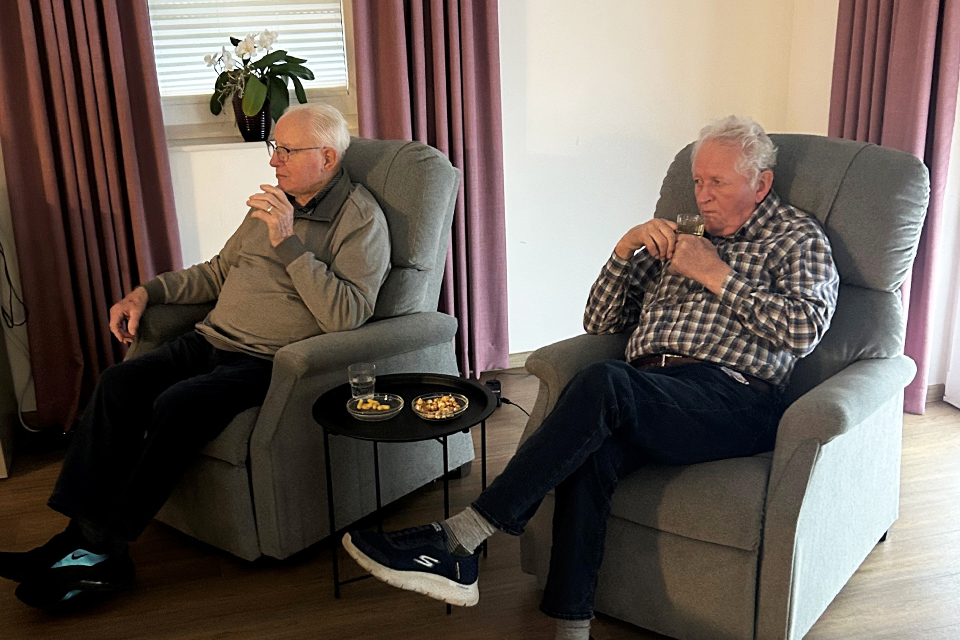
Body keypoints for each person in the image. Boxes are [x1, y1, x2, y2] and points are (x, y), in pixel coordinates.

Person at [341, 116, 839, 640]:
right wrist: (624, 250)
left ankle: (462, 537)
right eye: (697, 180)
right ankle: (572, 629)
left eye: (718, 181)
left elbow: (802, 331)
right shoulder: (681, 234)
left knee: (605, 383)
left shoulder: (797, 238)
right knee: (590, 452)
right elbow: (600, 323)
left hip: (734, 397)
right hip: (649, 389)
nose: (702, 195)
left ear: (760, 183)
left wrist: (715, 274)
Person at [0, 103, 391, 609]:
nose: (273, 160)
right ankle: (77, 541)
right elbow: (216, 272)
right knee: (118, 383)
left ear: (328, 158)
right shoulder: (273, 204)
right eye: (275, 148)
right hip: (208, 340)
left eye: (287, 151)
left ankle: (103, 549)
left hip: (266, 362)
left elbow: (347, 314)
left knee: (178, 403)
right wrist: (147, 293)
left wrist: (288, 242)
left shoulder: (361, 220)